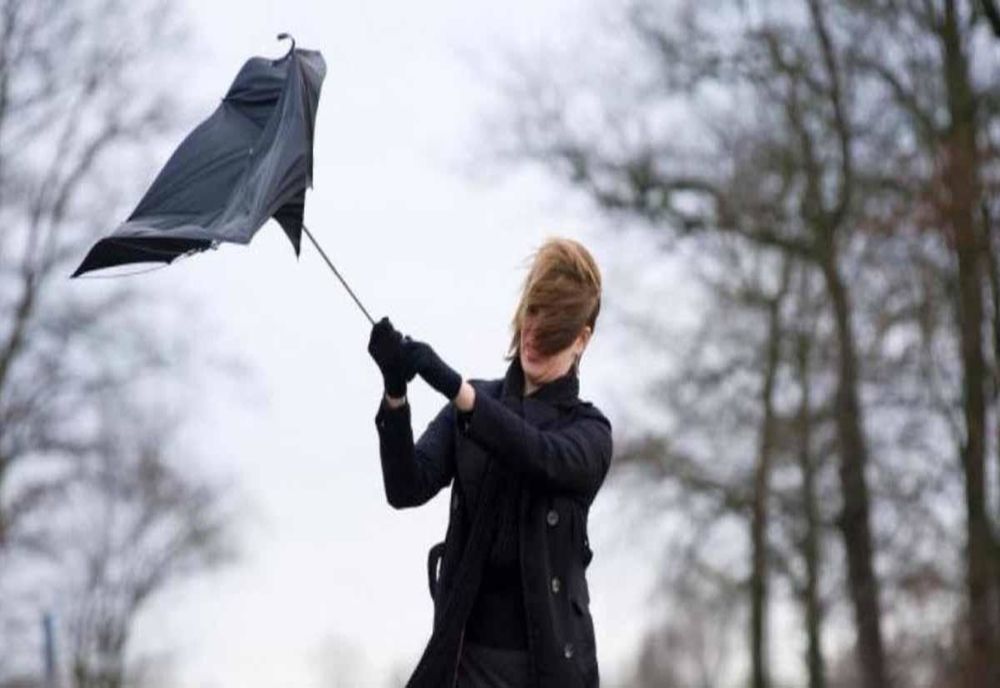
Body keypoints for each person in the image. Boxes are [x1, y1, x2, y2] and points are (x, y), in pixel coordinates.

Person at [367, 237, 612, 688]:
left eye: (553, 329)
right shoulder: (475, 404)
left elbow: (538, 455)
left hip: (547, 670)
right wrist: (395, 393)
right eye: (532, 315)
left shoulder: (589, 433)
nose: (534, 336)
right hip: (465, 659)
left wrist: (457, 390)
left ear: (581, 340)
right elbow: (405, 487)